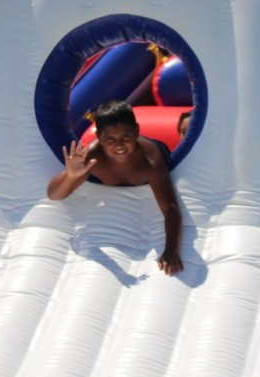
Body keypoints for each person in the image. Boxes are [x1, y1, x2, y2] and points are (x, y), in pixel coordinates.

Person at [48, 100, 183, 276]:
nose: (119, 145)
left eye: (126, 137)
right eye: (109, 139)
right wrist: (71, 175)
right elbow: (54, 194)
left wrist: (171, 249)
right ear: (98, 137)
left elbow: (170, 208)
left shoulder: (149, 160)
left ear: (136, 130)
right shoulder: (93, 158)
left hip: (159, 150)